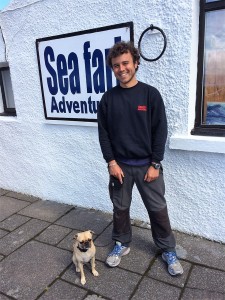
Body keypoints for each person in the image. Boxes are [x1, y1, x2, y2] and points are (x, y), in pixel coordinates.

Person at [97, 41, 183, 276]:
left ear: (135, 63)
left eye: (125, 63)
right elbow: (103, 134)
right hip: (120, 168)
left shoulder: (150, 94)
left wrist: (156, 162)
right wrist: (111, 162)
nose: (121, 68)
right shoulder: (108, 99)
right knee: (120, 208)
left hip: (148, 167)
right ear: (112, 68)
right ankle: (121, 243)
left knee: (158, 209)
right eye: (116, 65)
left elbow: (160, 130)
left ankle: (167, 249)